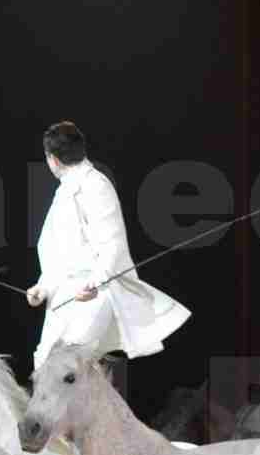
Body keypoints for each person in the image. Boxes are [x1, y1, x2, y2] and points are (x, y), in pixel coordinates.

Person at [26, 121, 190, 377]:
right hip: (64, 296)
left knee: (68, 365)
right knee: (45, 362)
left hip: (94, 294)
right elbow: (60, 252)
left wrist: (94, 285)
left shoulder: (96, 186)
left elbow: (112, 244)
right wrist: (43, 287)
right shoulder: (64, 192)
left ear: (53, 159)